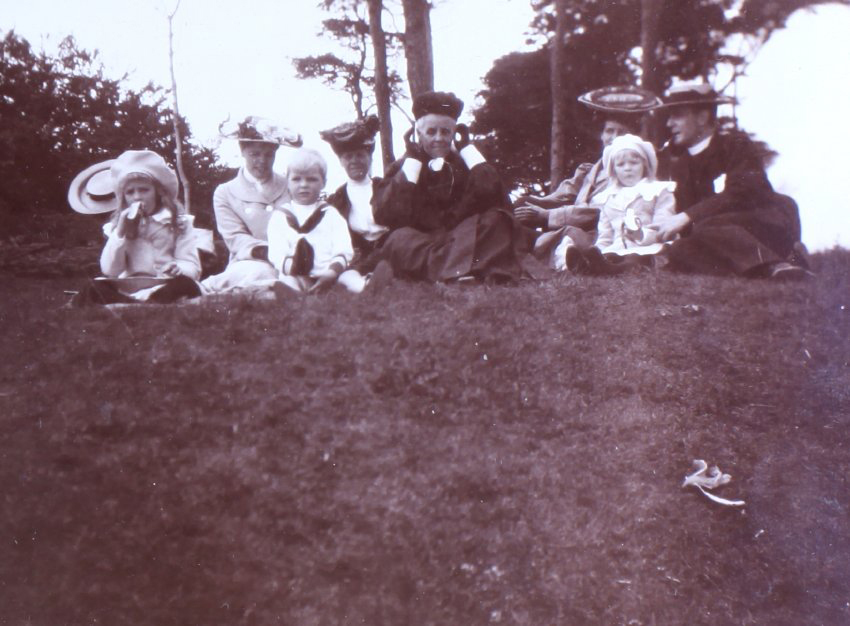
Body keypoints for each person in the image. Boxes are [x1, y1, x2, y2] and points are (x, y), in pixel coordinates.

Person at [651, 83, 810, 279]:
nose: (669, 124)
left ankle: (777, 264)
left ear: (702, 117)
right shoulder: (680, 165)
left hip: (760, 224)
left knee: (705, 230)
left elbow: (743, 192)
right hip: (714, 238)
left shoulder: (736, 146)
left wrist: (686, 216)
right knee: (681, 247)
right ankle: (768, 268)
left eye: (678, 115)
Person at [371, 90, 529, 284]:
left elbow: (497, 199)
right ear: (418, 135)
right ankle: (464, 271)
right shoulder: (402, 167)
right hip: (422, 241)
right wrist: (412, 161)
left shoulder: (464, 164)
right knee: (398, 239)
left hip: (461, 239)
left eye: (445, 132)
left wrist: (467, 149)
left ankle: (447, 272)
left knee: (498, 219)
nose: (439, 138)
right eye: (431, 132)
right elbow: (387, 214)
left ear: (454, 134)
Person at [514, 85, 662, 269]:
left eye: (621, 132)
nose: (613, 138)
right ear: (602, 134)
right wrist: (532, 203)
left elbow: (599, 211)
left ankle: (580, 263)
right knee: (515, 217)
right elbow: (564, 195)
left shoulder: (632, 174)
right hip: (572, 228)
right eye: (609, 131)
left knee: (569, 240)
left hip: (599, 233)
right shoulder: (589, 170)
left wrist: (547, 215)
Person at [69, 150, 202, 305]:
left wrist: (179, 268)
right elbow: (110, 271)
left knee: (186, 285)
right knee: (94, 287)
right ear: (123, 197)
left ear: (158, 192)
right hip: (128, 287)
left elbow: (193, 266)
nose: (137, 197)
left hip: (164, 285)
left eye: (144, 190)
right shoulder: (117, 226)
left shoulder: (178, 222)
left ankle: (141, 305)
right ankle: (140, 305)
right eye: (130, 192)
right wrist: (120, 232)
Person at [201, 116, 303, 293]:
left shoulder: (289, 186)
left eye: (268, 154)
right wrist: (268, 252)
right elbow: (236, 238)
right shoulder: (225, 192)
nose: (262, 161)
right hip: (250, 260)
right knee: (258, 273)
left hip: (291, 258)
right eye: (255, 154)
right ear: (242, 151)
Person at [561, 134, 677, 275]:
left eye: (634, 163)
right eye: (621, 164)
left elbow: (664, 227)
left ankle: (610, 270)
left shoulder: (659, 191)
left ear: (645, 165)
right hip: (617, 249)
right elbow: (606, 235)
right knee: (610, 256)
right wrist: (597, 253)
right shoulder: (607, 198)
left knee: (634, 258)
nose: (627, 168)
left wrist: (640, 234)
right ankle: (588, 266)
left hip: (650, 247)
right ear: (613, 170)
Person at [320, 114, 393, 292]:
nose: (354, 161)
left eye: (360, 155)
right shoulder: (337, 199)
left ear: (369, 157)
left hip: (391, 246)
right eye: (348, 157)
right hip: (362, 254)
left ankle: (381, 274)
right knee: (347, 272)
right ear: (341, 161)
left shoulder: (386, 187)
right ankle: (366, 285)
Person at [267, 148, 354, 294]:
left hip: (329, 273)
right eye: (296, 179)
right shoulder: (280, 216)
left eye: (312, 179)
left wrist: (332, 272)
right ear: (287, 181)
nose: (303, 185)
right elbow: (277, 254)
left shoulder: (330, 214)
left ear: (323, 183)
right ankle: (295, 295)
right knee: (288, 282)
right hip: (296, 273)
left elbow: (343, 248)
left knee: (349, 277)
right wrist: (294, 268)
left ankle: (366, 286)